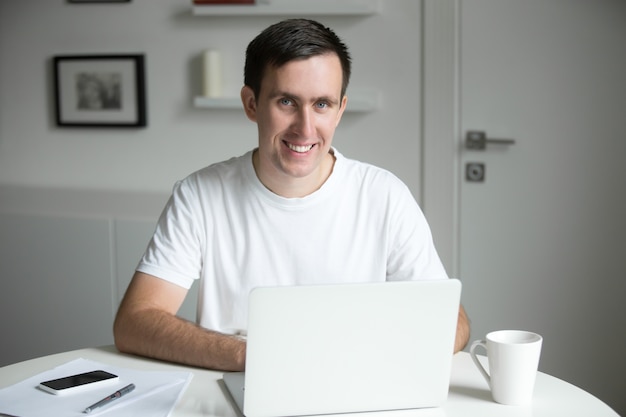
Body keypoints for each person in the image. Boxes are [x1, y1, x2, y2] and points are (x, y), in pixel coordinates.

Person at [113, 18, 470, 372]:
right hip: (240, 388)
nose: (305, 128)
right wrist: (256, 356)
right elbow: (135, 322)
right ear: (251, 103)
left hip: (353, 385)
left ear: (340, 109)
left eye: (322, 104)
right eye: (286, 102)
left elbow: (454, 322)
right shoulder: (200, 195)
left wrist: (367, 360)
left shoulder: (385, 195)